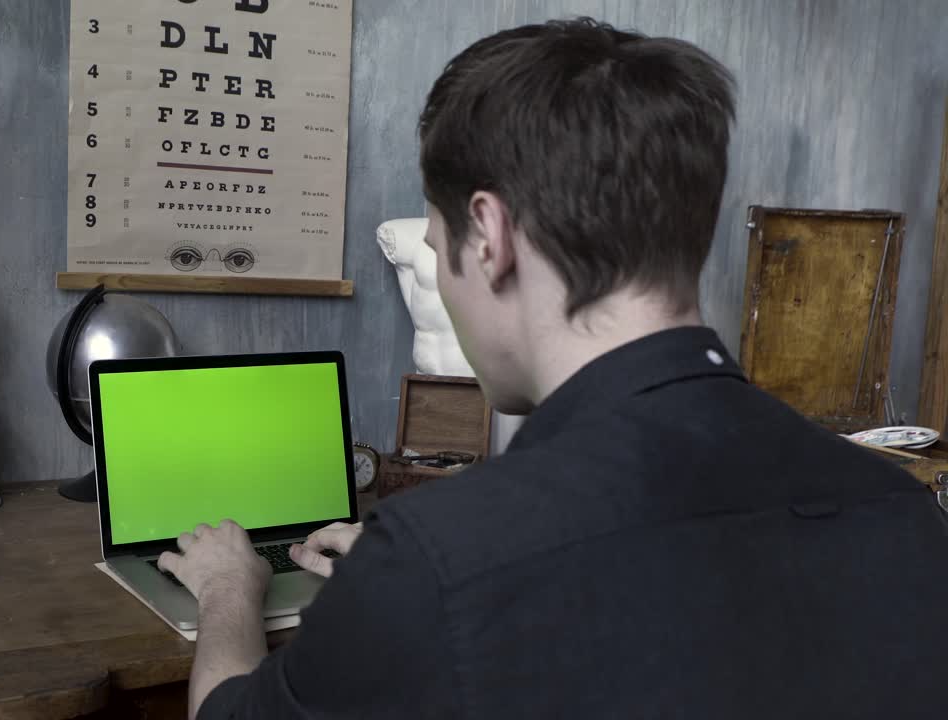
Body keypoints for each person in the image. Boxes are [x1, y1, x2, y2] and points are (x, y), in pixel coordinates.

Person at [157, 17, 948, 719]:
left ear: (489, 237)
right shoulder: (901, 512)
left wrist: (232, 588)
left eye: (438, 253)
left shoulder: (436, 561)